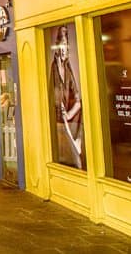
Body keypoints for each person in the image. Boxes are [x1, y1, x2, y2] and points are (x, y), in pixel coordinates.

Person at [50, 25, 84, 169]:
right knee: (68, 162)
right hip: (57, 125)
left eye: (66, 45)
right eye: (62, 44)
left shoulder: (68, 69)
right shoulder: (54, 68)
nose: (64, 48)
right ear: (57, 46)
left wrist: (69, 115)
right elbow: (51, 94)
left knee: (76, 162)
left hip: (67, 124)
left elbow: (78, 101)